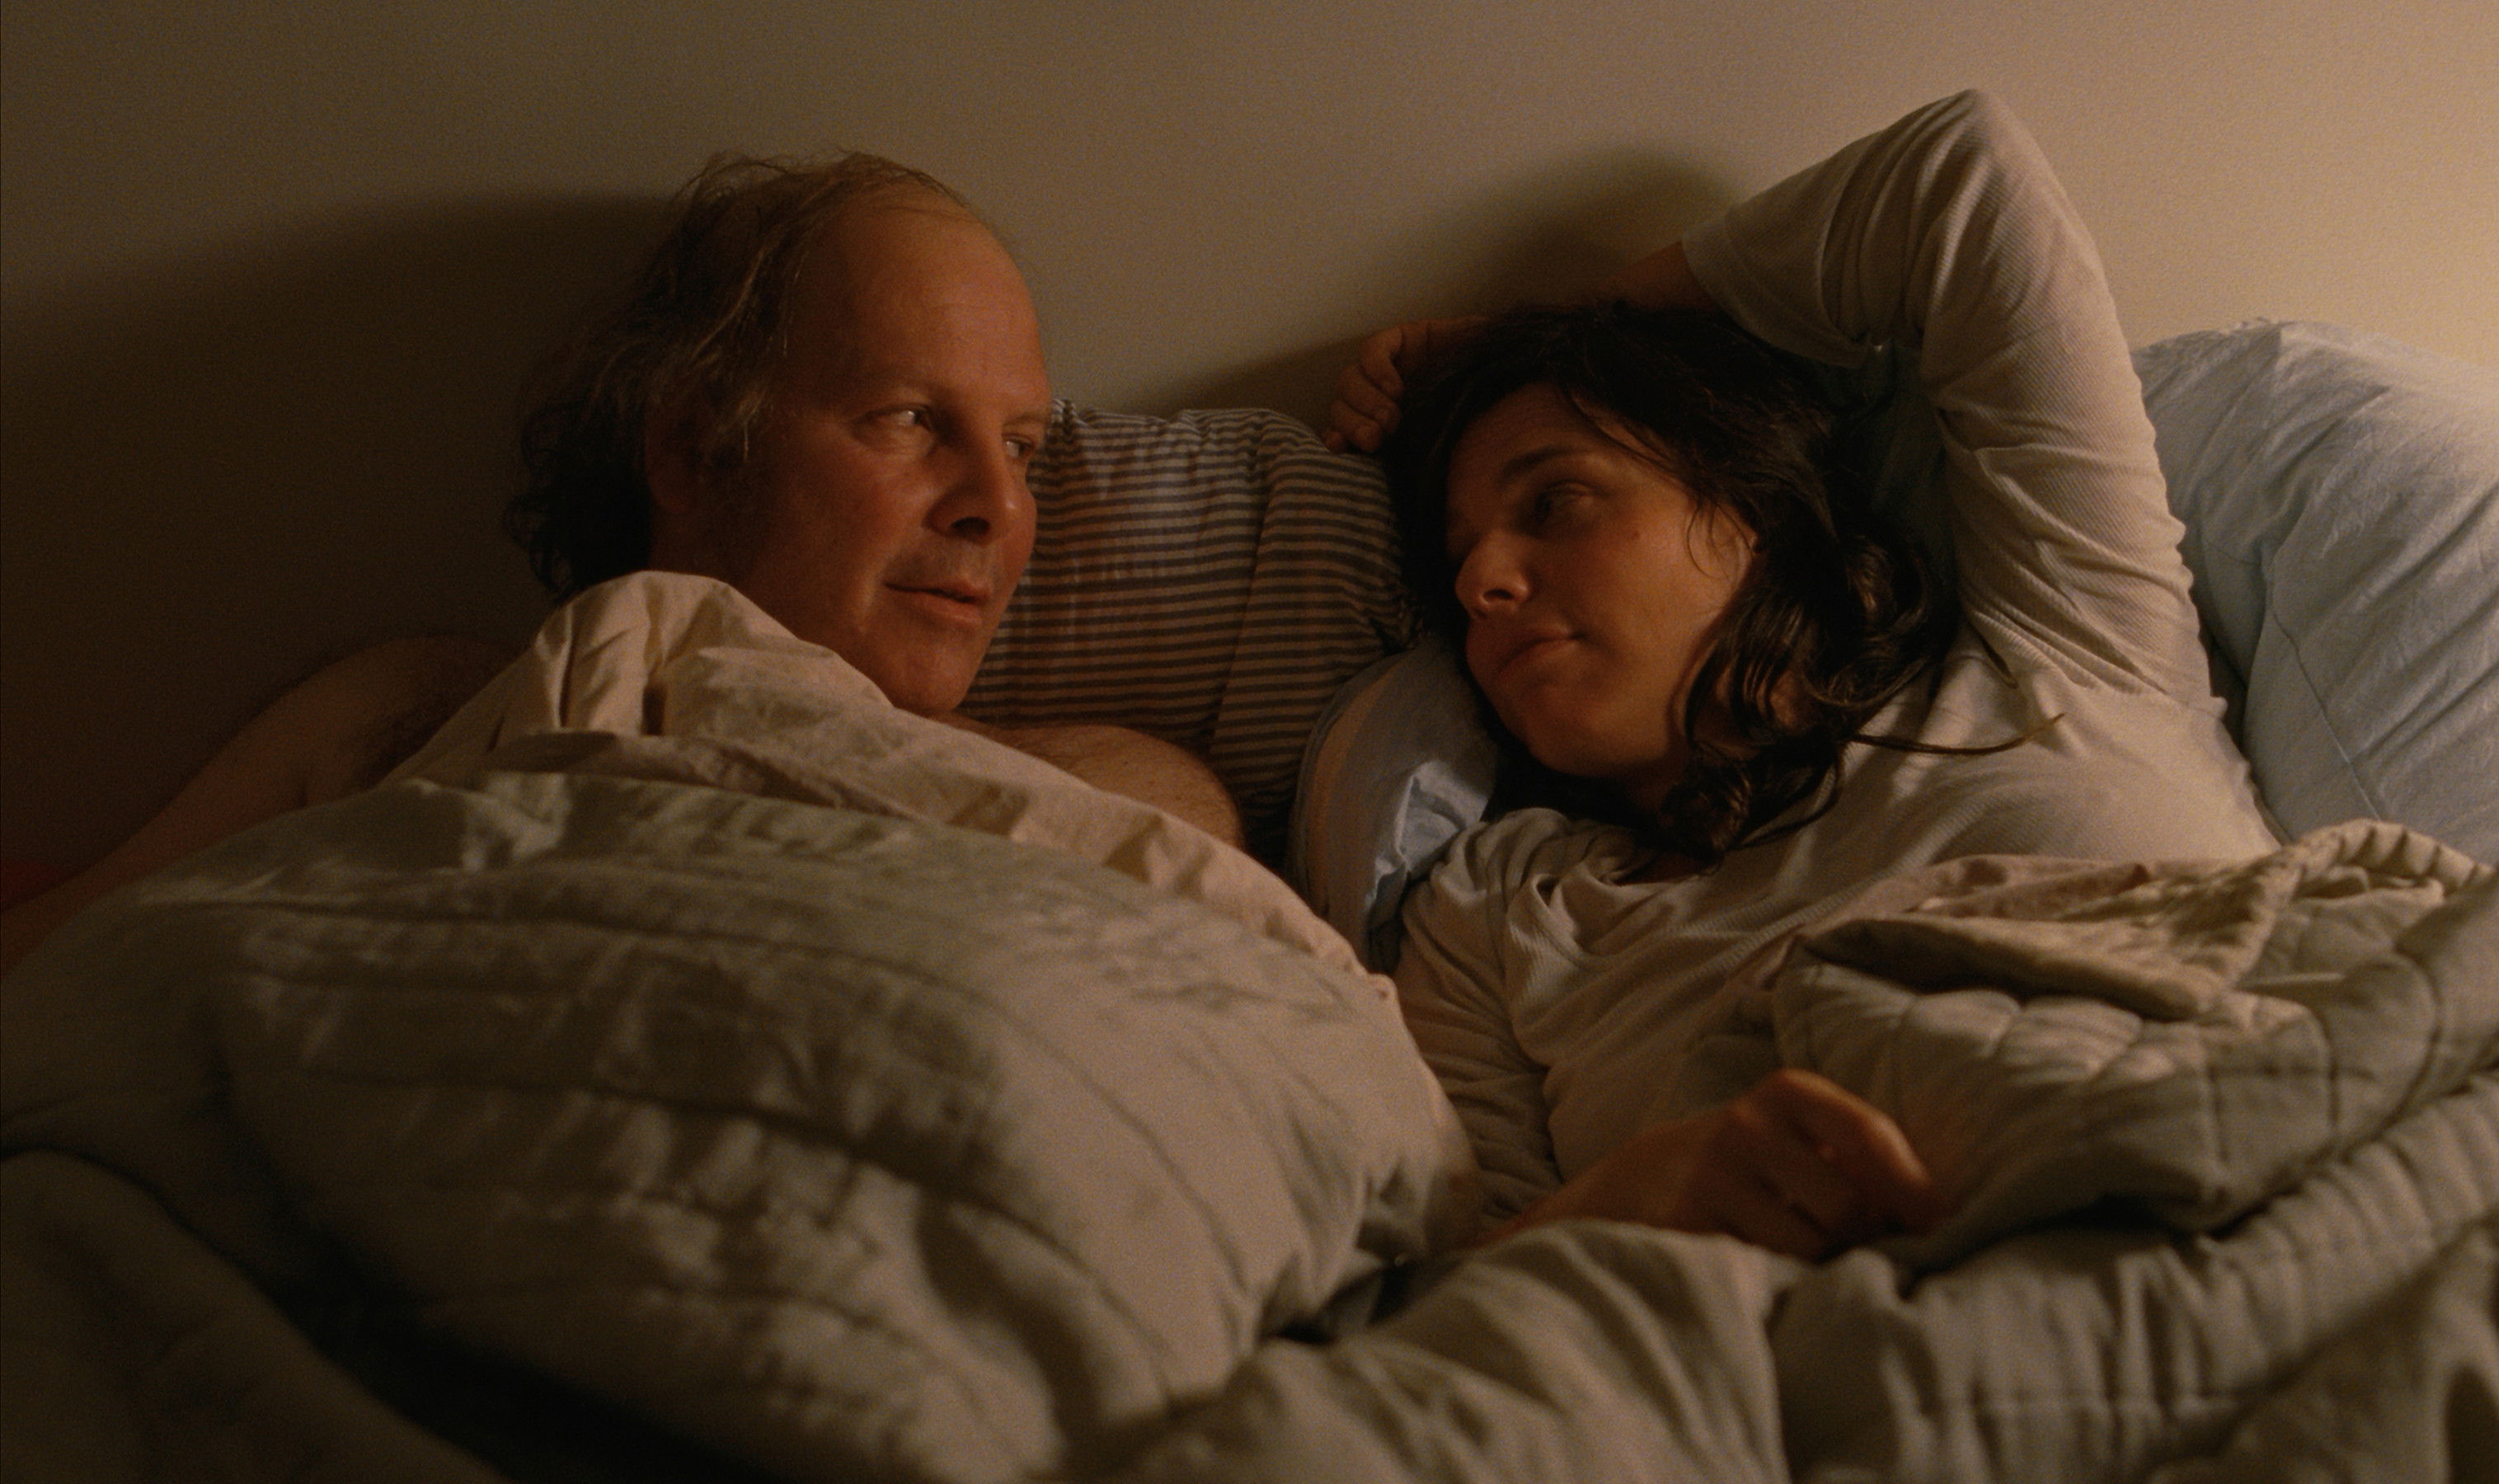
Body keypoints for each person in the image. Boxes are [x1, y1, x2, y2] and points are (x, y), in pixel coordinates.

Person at [1325, 91, 2283, 1259]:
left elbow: (1960, 179)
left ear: (1754, 506)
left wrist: (1557, 332)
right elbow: (1447, 1286)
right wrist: (1629, 1198)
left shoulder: (2061, 637)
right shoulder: (1498, 911)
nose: (1484, 582)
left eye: (1556, 501)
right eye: (1460, 559)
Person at [0, 153, 1236, 974]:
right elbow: (61, 978)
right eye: (910, 420)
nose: (998, 508)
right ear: (694, 451)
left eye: (1021, 448)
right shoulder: (408, 712)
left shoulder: (1123, 791)